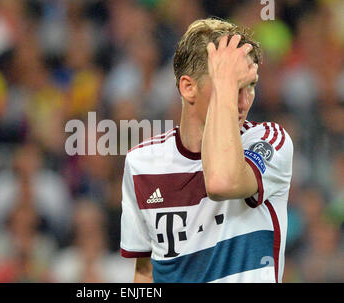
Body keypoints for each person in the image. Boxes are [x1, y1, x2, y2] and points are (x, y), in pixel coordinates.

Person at [120, 18, 293, 283]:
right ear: (188, 87)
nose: (244, 101)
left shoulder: (270, 140)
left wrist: (224, 84)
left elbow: (221, 181)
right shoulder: (140, 163)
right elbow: (146, 272)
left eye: (251, 85)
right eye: (233, 85)